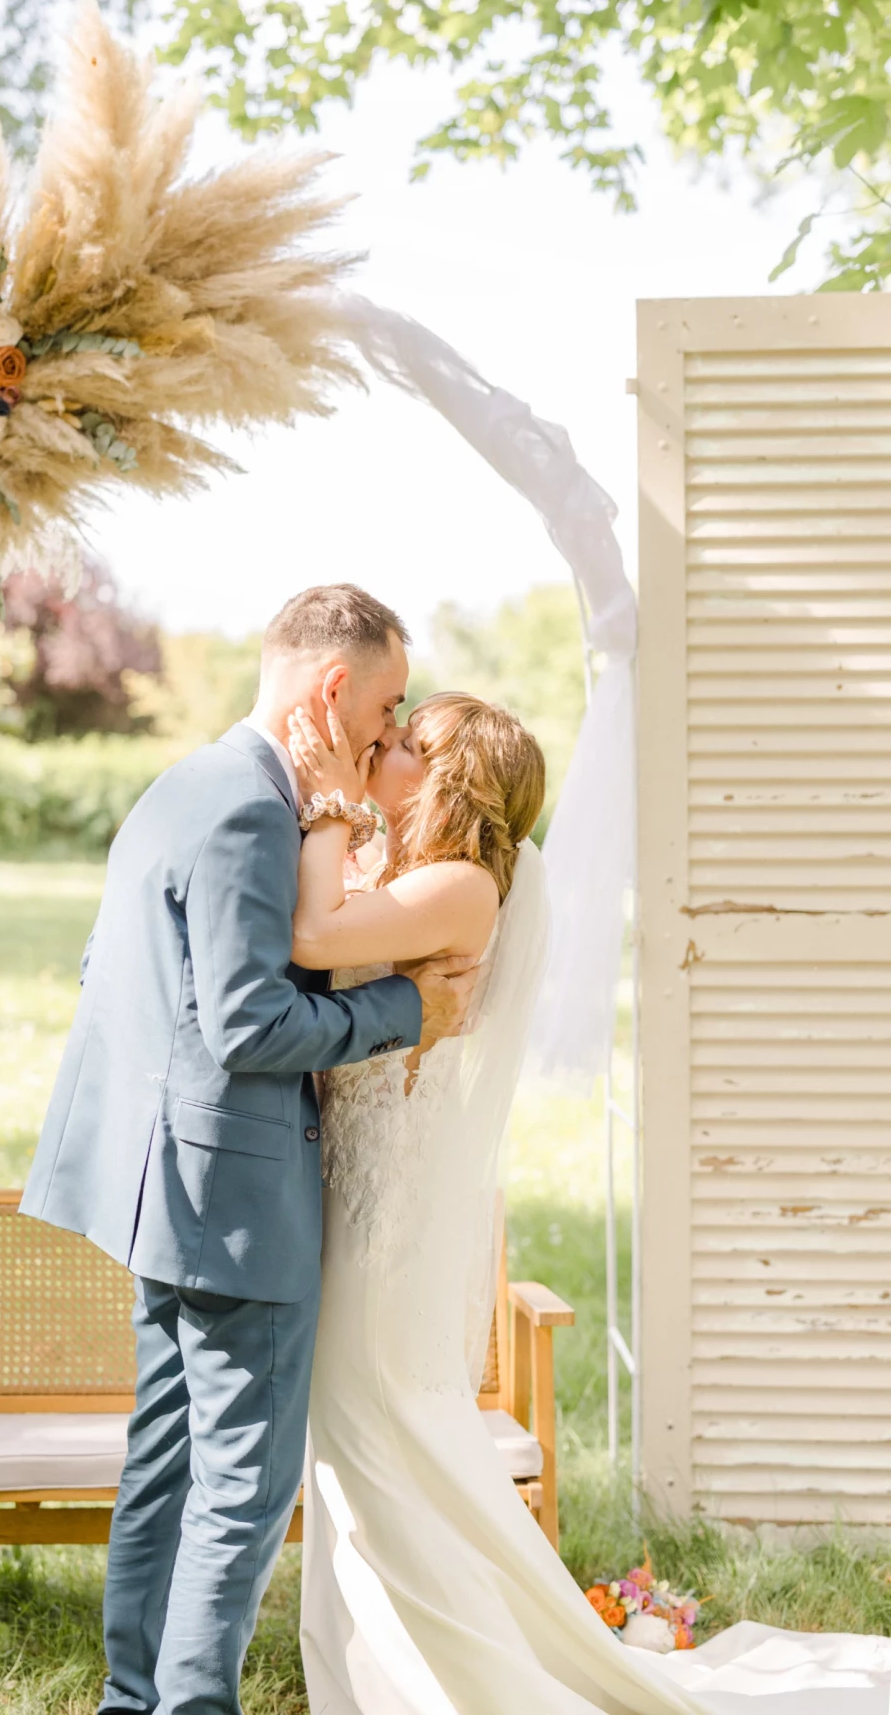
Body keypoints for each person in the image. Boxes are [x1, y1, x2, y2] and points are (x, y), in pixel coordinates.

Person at [289, 695, 891, 1715]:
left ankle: (452, 1676)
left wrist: (323, 808)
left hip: (385, 1235)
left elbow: (313, 935)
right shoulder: (417, 879)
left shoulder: (461, 884)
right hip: (361, 1209)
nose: (379, 748)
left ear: (444, 777)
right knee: (372, 1453)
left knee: (379, 1445)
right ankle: (387, 1660)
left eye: (402, 743)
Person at [20, 584, 481, 1715]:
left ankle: (135, 1699)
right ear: (333, 688)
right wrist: (407, 1016)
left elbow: (120, 986)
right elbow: (247, 1025)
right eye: (384, 704)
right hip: (231, 1200)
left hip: (154, 1188)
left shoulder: (185, 784)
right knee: (238, 1489)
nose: (388, 729)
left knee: (167, 1468)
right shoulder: (250, 811)